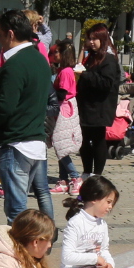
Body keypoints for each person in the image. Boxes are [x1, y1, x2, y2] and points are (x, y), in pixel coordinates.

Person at [0, 8, 53, 220]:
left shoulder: (14, 64)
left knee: (16, 209)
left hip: (16, 143)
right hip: (35, 142)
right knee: (22, 203)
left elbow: (5, 109)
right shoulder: (40, 59)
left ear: (10, 34)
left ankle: (23, 243)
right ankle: (40, 238)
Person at [76, 26, 121, 178]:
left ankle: (97, 174)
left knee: (98, 140)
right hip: (86, 105)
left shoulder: (108, 59)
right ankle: (86, 171)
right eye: (89, 39)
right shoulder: (92, 56)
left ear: (103, 39)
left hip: (99, 107)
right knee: (84, 140)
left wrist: (85, 74)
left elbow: (106, 83)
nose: (91, 42)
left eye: (94, 39)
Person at [50, 40, 82, 197]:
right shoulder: (64, 70)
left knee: (60, 145)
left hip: (64, 109)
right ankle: (63, 180)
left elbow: (62, 94)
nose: (54, 54)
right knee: (60, 145)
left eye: (57, 52)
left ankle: (75, 177)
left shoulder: (65, 72)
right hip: (64, 108)